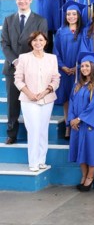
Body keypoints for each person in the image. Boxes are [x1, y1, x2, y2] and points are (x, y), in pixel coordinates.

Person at [1, 0, 48, 144]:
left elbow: (42, 44)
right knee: (13, 103)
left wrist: (29, 61)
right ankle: (11, 134)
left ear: (30, 0)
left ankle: (32, 134)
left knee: (32, 104)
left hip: (33, 69)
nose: (22, 1)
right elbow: (5, 44)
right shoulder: (8, 20)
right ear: (16, 0)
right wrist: (15, 60)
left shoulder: (40, 20)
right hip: (12, 68)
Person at [14, 31, 60, 171]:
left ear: (45, 42)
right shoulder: (23, 58)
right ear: (31, 43)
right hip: (29, 100)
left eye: (40, 40)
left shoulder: (52, 58)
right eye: (35, 40)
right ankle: (33, 162)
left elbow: (56, 79)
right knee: (33, 129)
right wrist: (30, 94)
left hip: (47, 99)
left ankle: (41, 160)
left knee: (43, 130)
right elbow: (18, 79)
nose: (38, 43)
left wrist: (46, 91)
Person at [68, 52, 94, 192]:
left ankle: (90, 176)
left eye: (87, 66)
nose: (84, 68)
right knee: (79, 151)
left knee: (91, 151)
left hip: (90, 124)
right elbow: (71, 102)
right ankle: (84, 175)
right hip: (76, 125)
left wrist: (79, 119)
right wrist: (72, 119)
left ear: (93, 67)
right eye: (82, 66)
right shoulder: (77, 85)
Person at [53, 1, 85, 139]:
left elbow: (85, 50)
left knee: (79, 98)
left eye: (74, 14)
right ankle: (67, 127)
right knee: (66, 99)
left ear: (78, 15)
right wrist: (63, 66)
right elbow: (56, 51)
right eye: (68, 14)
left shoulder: (84, 32)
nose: (71, 16)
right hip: (64, 71)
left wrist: (77, 67)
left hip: (81, 71)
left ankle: (78, 124)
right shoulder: (61, 32)